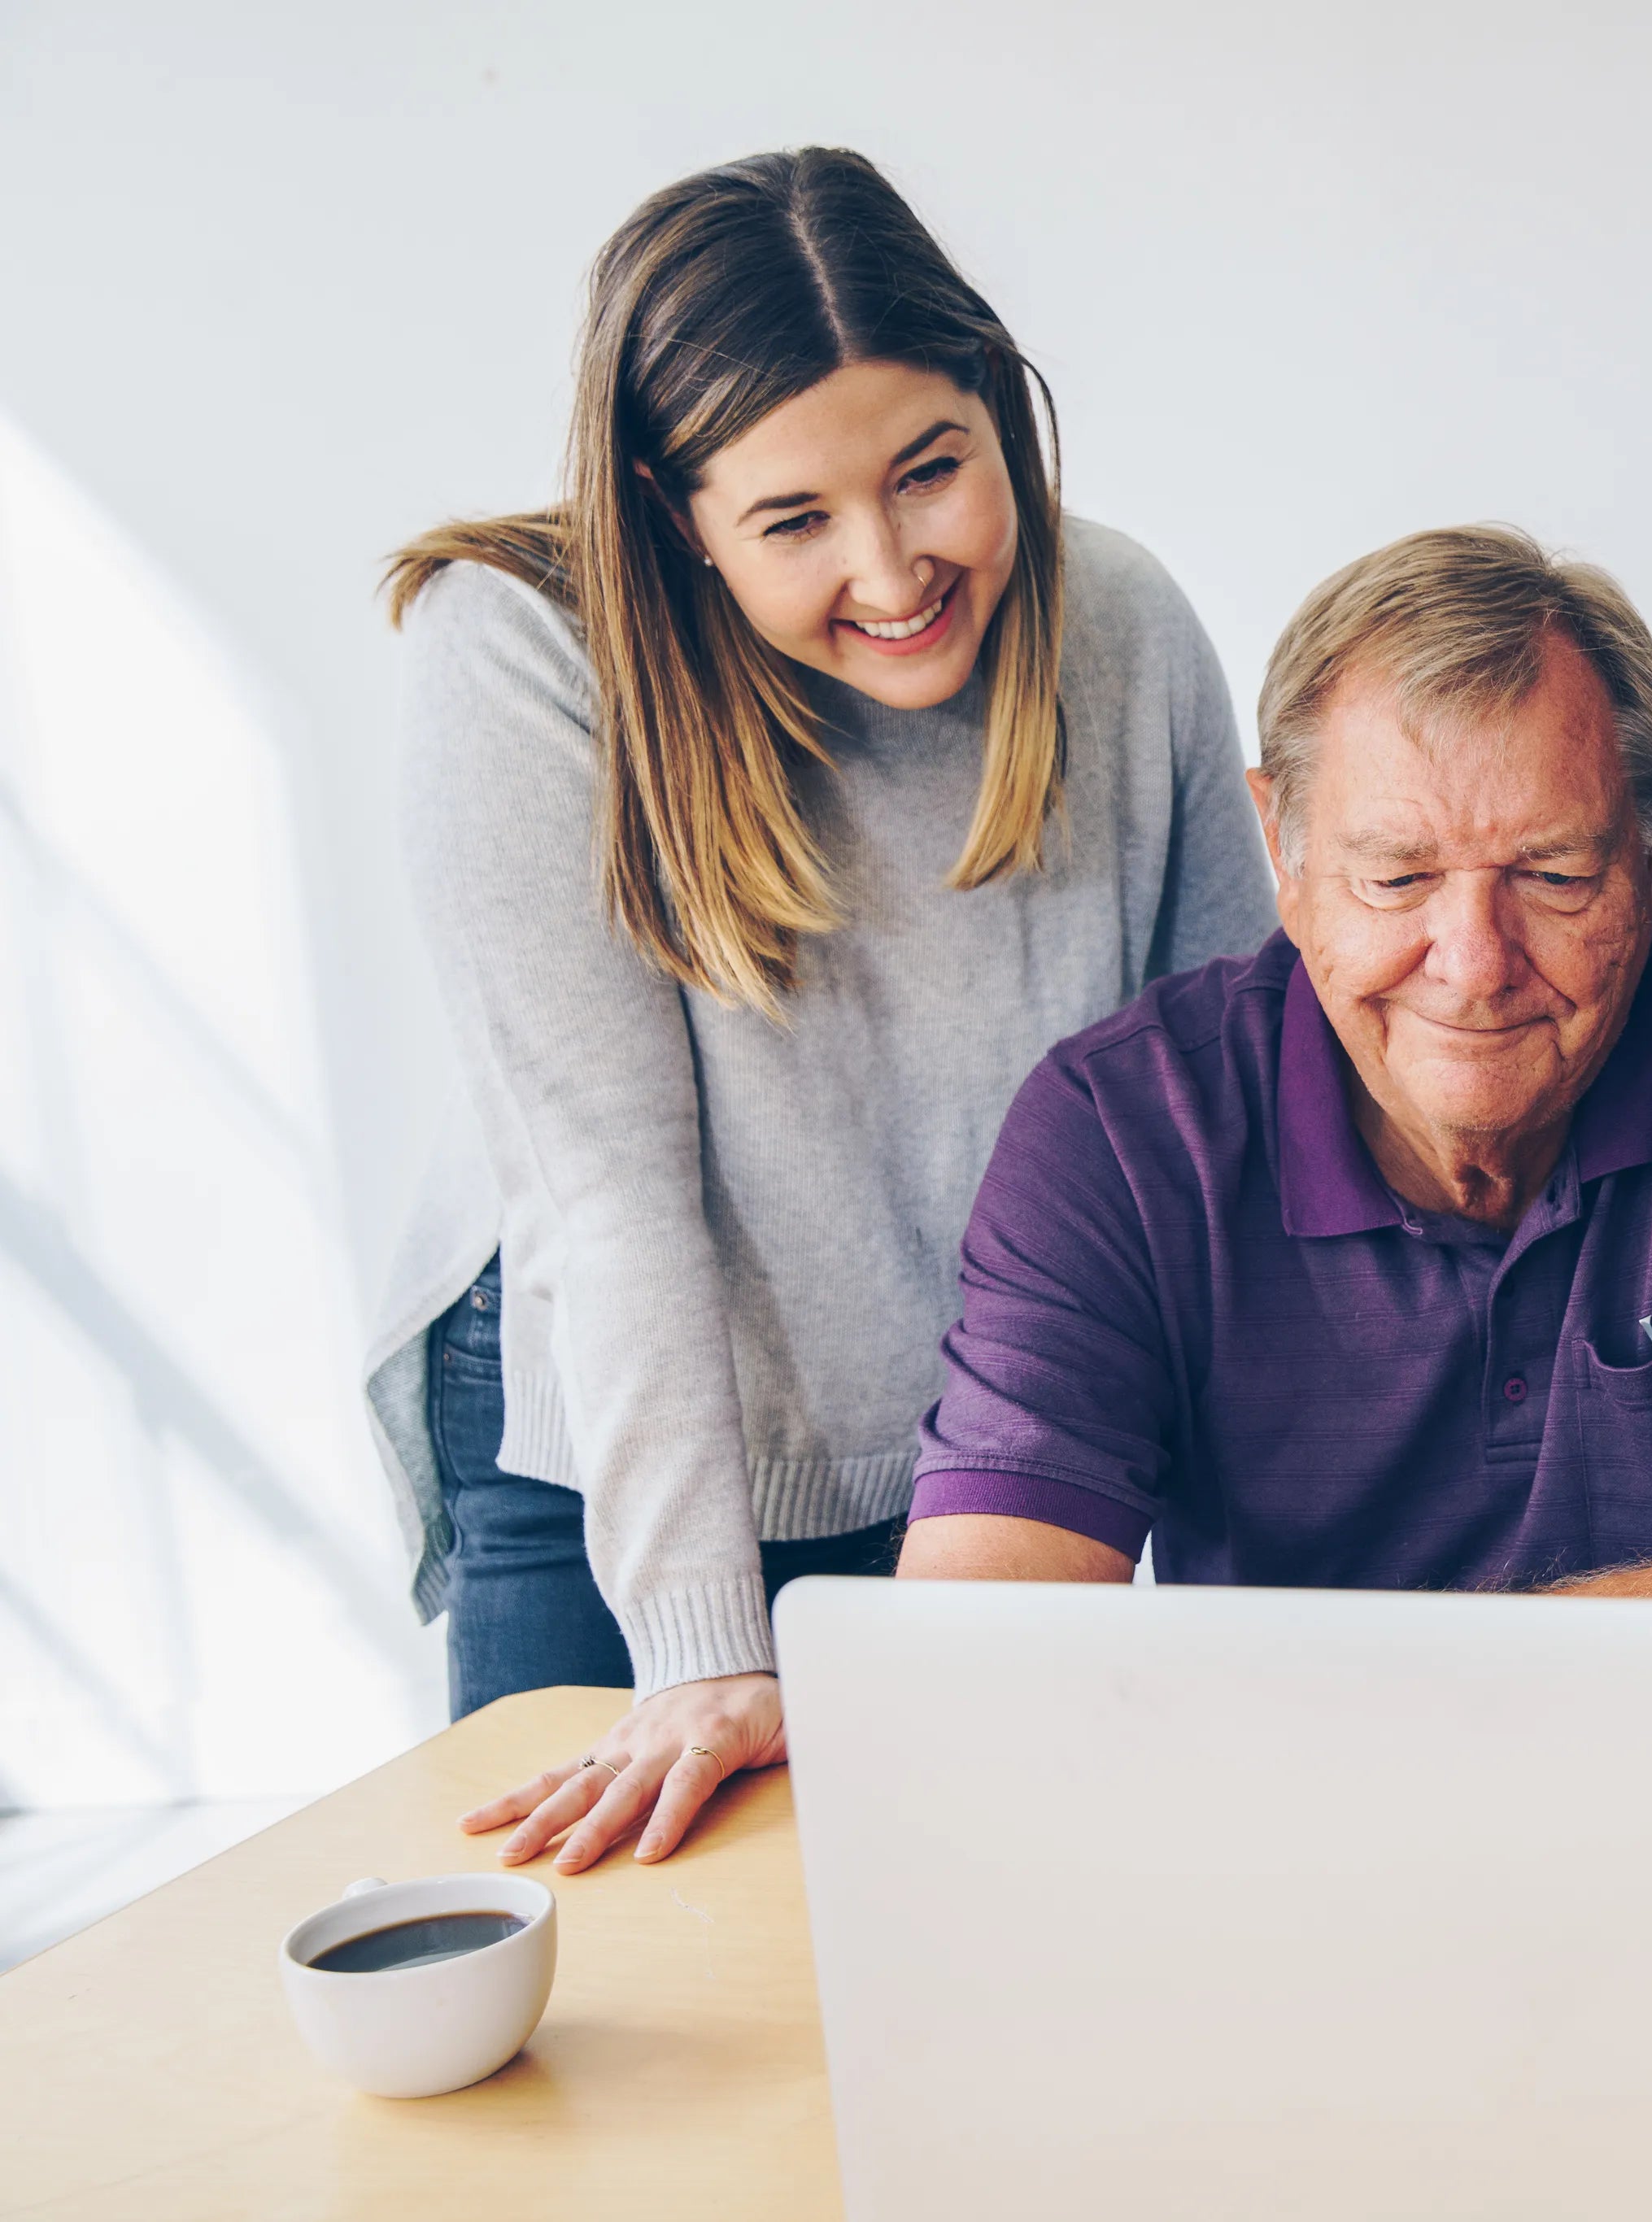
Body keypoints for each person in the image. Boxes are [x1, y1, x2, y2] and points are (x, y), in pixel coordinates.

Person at [365, 149, 1276, 1873]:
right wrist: (706, 1648)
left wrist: (1253, 1582)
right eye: (793, 520)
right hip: (614, 1446)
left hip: (961, 1427)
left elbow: (1228, 1116)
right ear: (670, 512)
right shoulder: (516, 655)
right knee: (637, 1974)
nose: (891, 566)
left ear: (999, 406)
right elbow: (609, 1190)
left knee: (956, 1953)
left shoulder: (1125, 627)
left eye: (930, 470)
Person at [894, 525, 1652, 1603]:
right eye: (1397, 878)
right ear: (1284, 848)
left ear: (1650, 849)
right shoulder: (1117, 1134)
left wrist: (1305, 1702)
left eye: (1553, 874)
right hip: (1304, 1787)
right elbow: (977, 1653)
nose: (1474, 968)